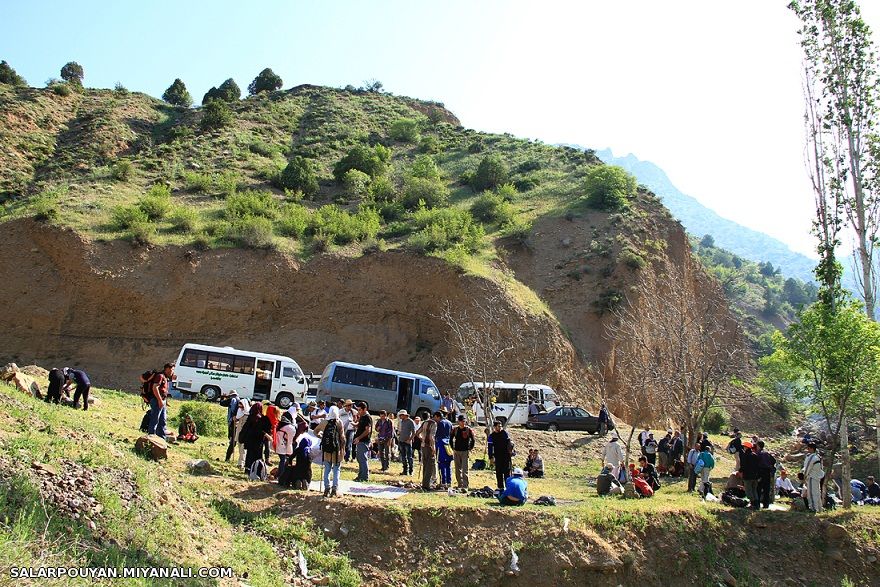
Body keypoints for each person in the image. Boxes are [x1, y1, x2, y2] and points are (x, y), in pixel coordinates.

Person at [316, 406, 345, 497]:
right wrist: (343, 450)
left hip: (327, 450)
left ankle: (326, 488)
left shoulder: (324, 422)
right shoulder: (339, 422)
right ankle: (334, 489)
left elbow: (315, 431)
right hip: (337, 450)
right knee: (336, 470)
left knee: (327, 469)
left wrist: (321, 437)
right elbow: (342, 438)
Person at [239, 402, 272, 474]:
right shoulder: (259, 418)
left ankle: (247, 470)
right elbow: (258, 430)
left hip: (249, 439)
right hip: (256, 440)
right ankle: (255, 470)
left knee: (249, 455)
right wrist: (266, 435)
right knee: (256, 456)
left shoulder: (250, 416)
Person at [146, 364, 173, 438]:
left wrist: (165, 401)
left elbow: (164, 391)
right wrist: (159, 400)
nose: (172, 372)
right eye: (171, 370)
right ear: (166, 369)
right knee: (155, 419)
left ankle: (162, 439)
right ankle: (151, 437)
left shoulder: (166, 378)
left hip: (162, 400)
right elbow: (155, 388)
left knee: (162, 421)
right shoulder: (160, 376)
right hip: (156, 400)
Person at [451, 414, 475, 489]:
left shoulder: (468, 430)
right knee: (457, 469)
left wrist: (470, 448)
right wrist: (453, 448)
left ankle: (465, 485)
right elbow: (451, 438)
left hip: (465, 451)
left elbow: (473, 440)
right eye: (461, 421)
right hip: (457, 451)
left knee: (465, 469)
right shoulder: (455, 429)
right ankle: (459, 484)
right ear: (458, 422)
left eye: (464, 421)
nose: (463, 423)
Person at [488, 421, 513, 490]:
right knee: (498, 472)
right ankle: (500, 487)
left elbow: (509, 443)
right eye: (498, 426)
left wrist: (511, 451)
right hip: (497, 456)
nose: (500, 428)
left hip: (506, 456)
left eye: (501, 426)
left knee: (507, 472)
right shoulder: (491, 436)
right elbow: (490, 447)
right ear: (495, 427)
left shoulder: (504, 433)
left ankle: (508, 488)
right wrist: (491, 457)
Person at [352, 402, 373, 482]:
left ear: (365, 409)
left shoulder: (367, 417)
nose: (358, 411)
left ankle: (364, 477)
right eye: (358, 410)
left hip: (364, 441)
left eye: (360, 410)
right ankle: (360, 475)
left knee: (363, 459)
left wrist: (359, 438)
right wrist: (355, 424)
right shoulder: (362, 417)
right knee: (360, 458)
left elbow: (368, 430)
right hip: (360, 440)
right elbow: (360, 426)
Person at [802, 442, 825, 513]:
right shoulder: (817, 457)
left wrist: (804, 476)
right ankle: (819, 508)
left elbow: (807, 468)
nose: (807, 450)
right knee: (817, 493)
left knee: (812, 493)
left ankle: (813, 508)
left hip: (812, 477)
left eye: (808, 448)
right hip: (817, 477)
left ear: (812, 449)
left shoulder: (812, 457)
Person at [418, 412, 438, 490]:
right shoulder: (434, 424)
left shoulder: (424, 423)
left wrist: (422, 439)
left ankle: (424, 483)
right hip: (429, 446)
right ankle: (426, 485)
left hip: (423, 446)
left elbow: (417, 432)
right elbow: (431, 436)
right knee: (430, 466)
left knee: (425, 465)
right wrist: (433, 448)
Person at [755, 440, 777, 508]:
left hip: (760, 472)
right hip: (768, 472)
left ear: (758, 446)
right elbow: (774, 460)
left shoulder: (758, 454)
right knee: (766, 489)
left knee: (758, 488)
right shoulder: (767, 453)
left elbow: (756, 463)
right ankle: (766, 504)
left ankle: (757, 504)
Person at [738, 441, 760, 508]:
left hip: (747, 476)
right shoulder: (755, 455)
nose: (743, 448)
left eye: (744, 447)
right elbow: (758, 466)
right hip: (755, 476)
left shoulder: (745, 455)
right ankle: (757, 504)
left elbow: (743, 465)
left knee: (748, 491)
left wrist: (740, 471)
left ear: (746, 447)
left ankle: (752, 504)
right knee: (754, 490)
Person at [276, 412, 295, 483]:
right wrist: (290, 452)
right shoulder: (290, 428)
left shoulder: (280, 426)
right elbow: (290, 441)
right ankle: (281, 476)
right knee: (283, 461)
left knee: (282, 460)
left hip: (278, 444)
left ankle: (279, 475)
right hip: (282, 445)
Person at [397, 410, 416, 476]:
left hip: (407, 442)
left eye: (401, 415)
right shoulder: (401, 421)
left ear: (404, 415)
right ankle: (405, 470)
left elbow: (414, 432)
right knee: (403, 457)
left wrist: (409, 439)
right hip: (401, 441)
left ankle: (411, 471)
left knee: (409, 457)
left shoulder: (411, 422)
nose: (400, 416)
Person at [224, 390, 240, 462]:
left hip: (232, 421)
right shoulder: (239, 399)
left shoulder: (232, 400)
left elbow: (222, 403)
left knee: (232, 440)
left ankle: (227, 458)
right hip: (238, 421)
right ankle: (228, 457)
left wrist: (233, 416)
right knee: (233, 441)